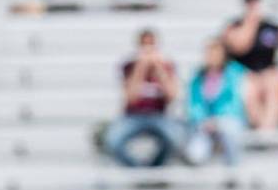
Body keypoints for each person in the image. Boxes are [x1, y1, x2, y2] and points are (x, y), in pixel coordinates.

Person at [104, 29, 182, 168]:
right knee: (113, 140)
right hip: (133, 117)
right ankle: (137, 171)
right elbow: (131, 97)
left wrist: (158, 69)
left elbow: (171, 96)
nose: (148, 49)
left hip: (159, 116)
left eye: (151, 44)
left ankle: (155, 169)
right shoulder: (129, 67)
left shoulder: (167, 66)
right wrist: (141, 67)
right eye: (144, 45)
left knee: (176, 139)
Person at [223, 0, 278, 132]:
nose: (252, 4)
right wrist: (251, 22)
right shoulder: (234, 25)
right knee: (248, 89)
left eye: (255, 0)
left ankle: (266, 131)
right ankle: (263, 130)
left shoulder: (274, 26)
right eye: (249, 0)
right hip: (243, 73)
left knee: (275, 84)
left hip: (269, 72)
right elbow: (239, 46)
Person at [185, 38, 248, 166]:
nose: (212, 57)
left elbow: (235, 101)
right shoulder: (198, 77)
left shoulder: (235, 73)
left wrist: (217, 120)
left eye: (215, 53)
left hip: (228, 119)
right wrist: (202, 120)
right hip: (205, 123)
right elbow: (194, 104)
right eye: (209, 53)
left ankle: (233, 170)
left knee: (229, 133)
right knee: (195, 153)